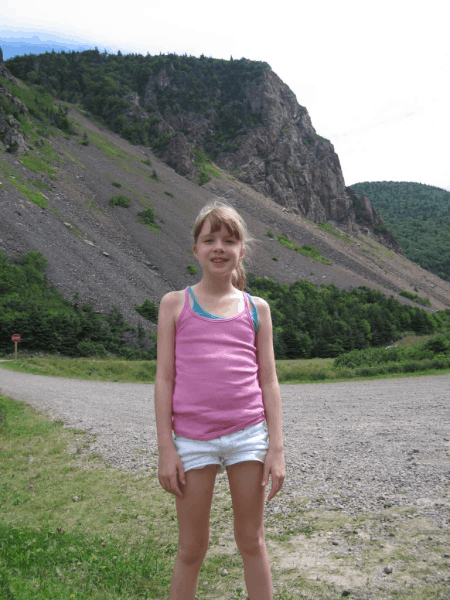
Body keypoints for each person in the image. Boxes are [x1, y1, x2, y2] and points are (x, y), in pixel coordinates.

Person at [155, 199, 285, 600]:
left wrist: (276, 448)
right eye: (209, 238)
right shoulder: (174, 304)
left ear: (241, 250)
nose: (219, 247)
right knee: (191, 548)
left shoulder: (256, 309)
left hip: (248, 437)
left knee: (252, 541)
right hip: (192, 441)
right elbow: (164, 378)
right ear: (195, 248)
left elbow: (269, 379)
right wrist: (166, 449)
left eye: (229, 240)